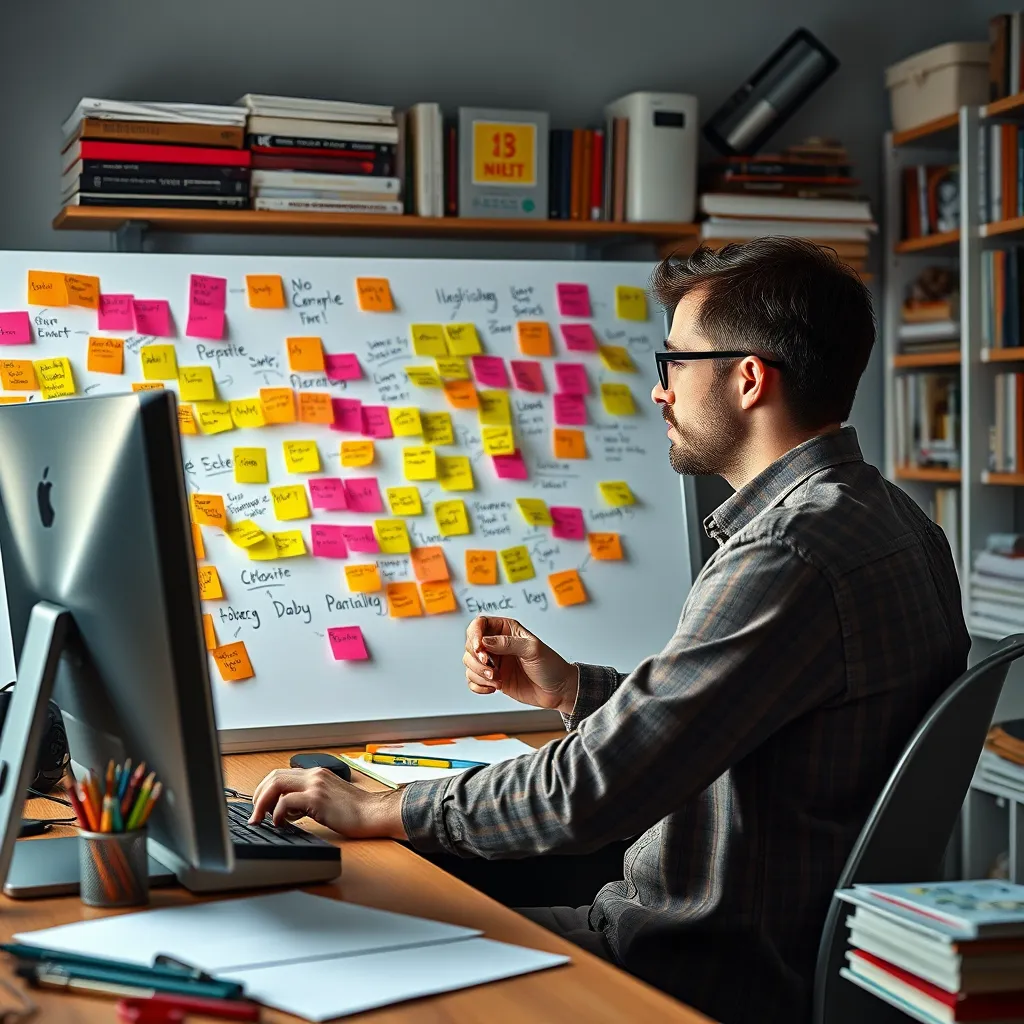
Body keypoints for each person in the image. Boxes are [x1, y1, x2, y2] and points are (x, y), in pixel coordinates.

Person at [250, 238, 969, 1024]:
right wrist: (577, 691)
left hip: (689, 964)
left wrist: (385, 810)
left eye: (675, 364)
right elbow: (736, 724)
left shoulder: (785, 555)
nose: (659, 394)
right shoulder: (891, 520)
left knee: (338, 944)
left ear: (749, 378)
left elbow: (589, 792)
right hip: (785, 950)